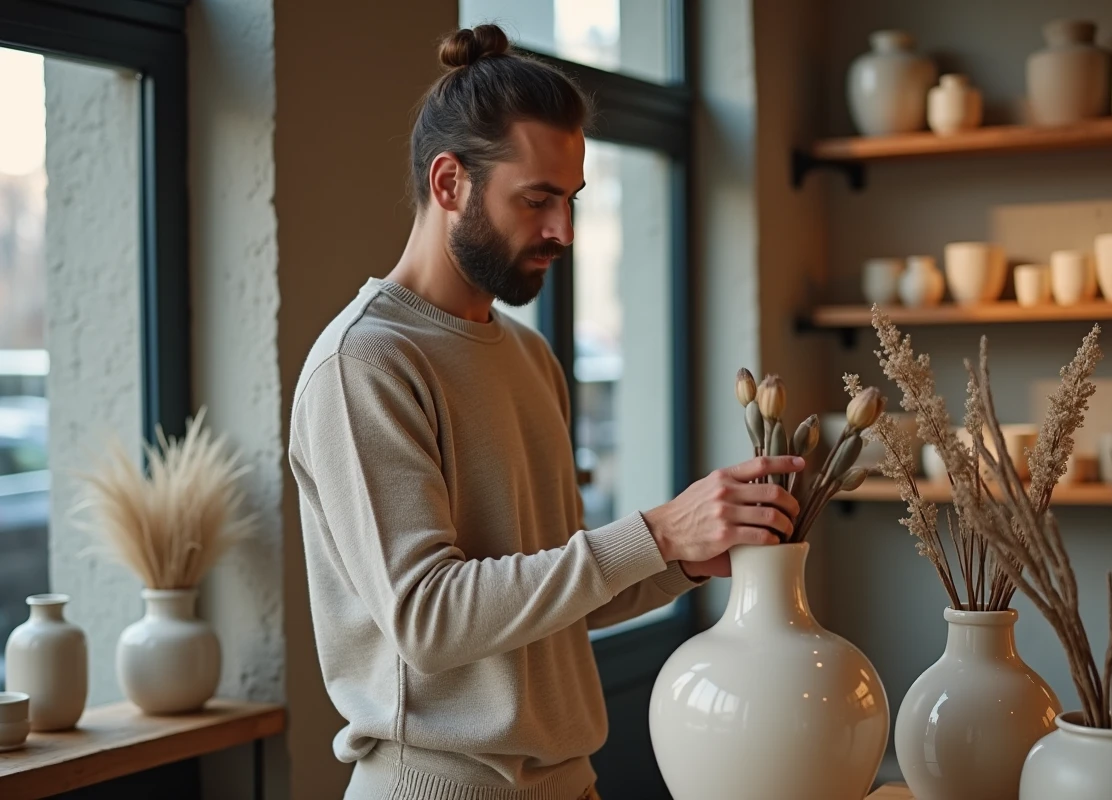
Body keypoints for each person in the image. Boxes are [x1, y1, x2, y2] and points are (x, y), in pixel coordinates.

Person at [288, 24, 804, 800]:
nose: (563, 231)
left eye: (571, 200)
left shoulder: (529, 359)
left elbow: (550, 598)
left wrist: (687, 558)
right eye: (536, 200)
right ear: (448, 183)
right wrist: (659, 530)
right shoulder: (365, 364)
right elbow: (429, 620)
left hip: (568, 783)